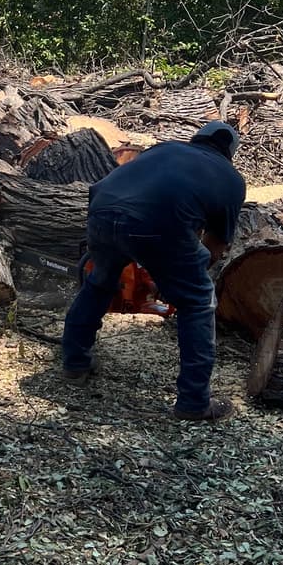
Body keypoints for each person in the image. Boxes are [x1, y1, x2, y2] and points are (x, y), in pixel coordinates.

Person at [61, 121, 245, 421]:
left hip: (101, 209)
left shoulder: (165, 148)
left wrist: (164, 271)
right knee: (198, 302)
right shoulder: (231, 179)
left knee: (98, 283)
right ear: (230, 152)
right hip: (153, 223)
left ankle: (74, 363)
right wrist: (181, 281)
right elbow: (215, 245)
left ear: (196, 139)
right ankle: (194, 403)